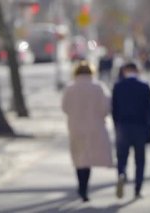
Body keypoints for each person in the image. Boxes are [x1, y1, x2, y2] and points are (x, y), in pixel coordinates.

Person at [62, 61, 113, 202]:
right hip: (94, 127)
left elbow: (65, 107)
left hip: (75, 126)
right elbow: (106, 107)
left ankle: (81, 186)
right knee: (88, 157)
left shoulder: (70, 88)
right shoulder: (98, 87)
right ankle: (84, 188)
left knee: (79, 157)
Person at [112, 62, 150, 199]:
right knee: (140, 160)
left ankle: (122, 173)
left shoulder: (118, 86)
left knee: (122, 156)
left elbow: (114, 109)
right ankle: (137, 189)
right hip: (140, 127)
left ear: (125, 71)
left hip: (123, 127)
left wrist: (116, 126)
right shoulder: (144, 86)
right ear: (136, 70)